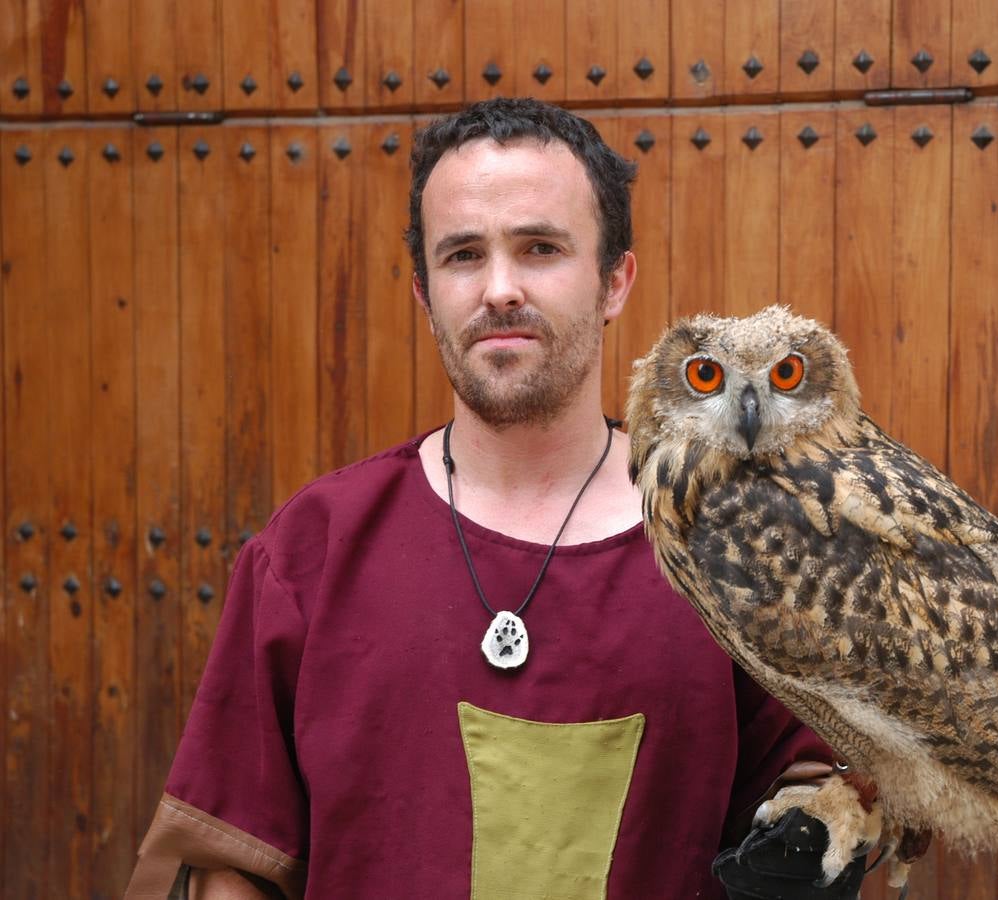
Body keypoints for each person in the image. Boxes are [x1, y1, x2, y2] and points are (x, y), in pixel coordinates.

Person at [126, 98, 869, 900]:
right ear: (423, 291)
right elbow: (233, 863)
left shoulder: (731, 549)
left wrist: (820, 818)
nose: (500, 288)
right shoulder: (314, 548)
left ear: (615, 279)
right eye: (463, 256)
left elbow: (814, 796)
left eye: (540, 247)